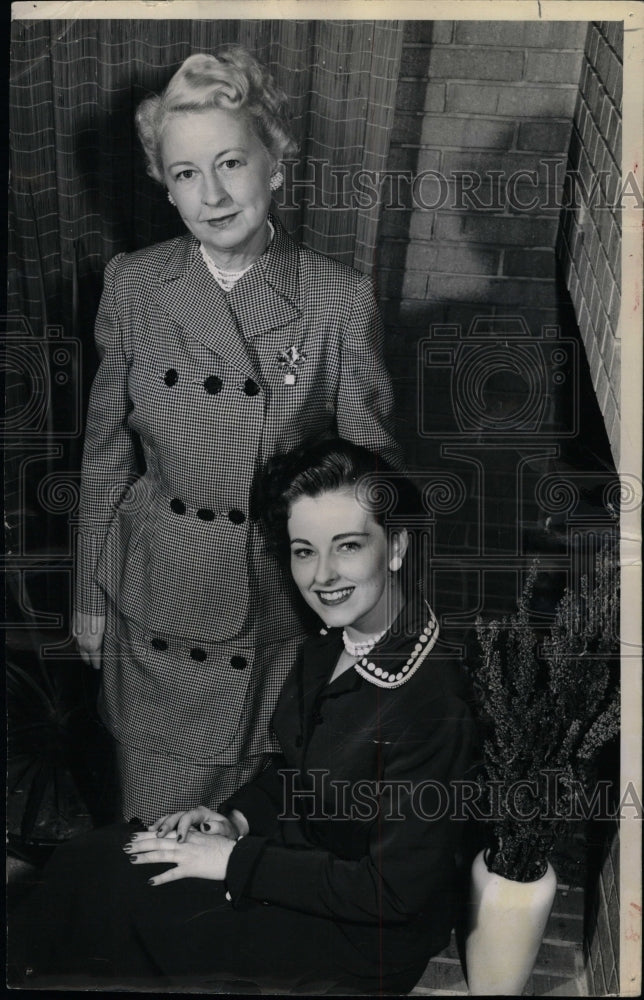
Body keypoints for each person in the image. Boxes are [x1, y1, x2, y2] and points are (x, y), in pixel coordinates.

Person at [12, 440, 479, 995]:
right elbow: (301, 773)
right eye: (304, 551)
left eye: (348, 546)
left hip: (358, 937)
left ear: (396, 547)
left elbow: (393, 893)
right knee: (87, 861)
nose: (323, 575)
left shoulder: (432, 703)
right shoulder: (330, 644)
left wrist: (236, 861)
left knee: (119, 903)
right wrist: (236, 818)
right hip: (295, 864)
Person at [73, 46, 401, 823]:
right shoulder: (135, 284)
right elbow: (106, 457)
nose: (213, 194)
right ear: (165, 186)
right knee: (151, 836)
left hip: (272, 618)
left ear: (275, 166)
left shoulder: (337, 302)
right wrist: (87, 595)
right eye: (187, 173)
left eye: (231, 163)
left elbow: (373, 484)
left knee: (243, 833)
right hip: (154, 605)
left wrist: (363, 614)